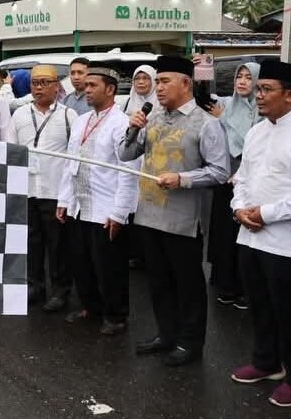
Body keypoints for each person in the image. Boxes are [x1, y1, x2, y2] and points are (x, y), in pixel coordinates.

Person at [229, 60, 291, 408]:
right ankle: (266, 362)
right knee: (259, 304)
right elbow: (242, 177)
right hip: (250, 234)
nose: (259, 95)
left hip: (288, 240)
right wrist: (240, 209)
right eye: (258, 89)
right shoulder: (257, 132)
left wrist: (265, 214)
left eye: (266, 89)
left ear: (290, 95)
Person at [120, 55, 230, 366]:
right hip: (148, 215)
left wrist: (183, 179)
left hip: (183, 221)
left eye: (165, 81)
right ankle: (165, 334)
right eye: (157, 82)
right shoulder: (151, 117)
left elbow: (220, 171)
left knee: (188, 285)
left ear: (186, 83)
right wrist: (131, 128)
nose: (159, 88)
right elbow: (125, 154)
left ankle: (190, 342)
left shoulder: (206, 124)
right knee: (158, 281)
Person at [56, 61, 139, 336]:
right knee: (82, 262)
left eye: (93, 85)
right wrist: (63, 201)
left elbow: (129, 172)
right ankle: (90, 307)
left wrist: (119, 213)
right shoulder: (82, 120)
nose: (86, 90)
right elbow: (70, 163)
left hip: (106, 208)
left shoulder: (122, 123)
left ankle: (116, 315)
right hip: (80, 205)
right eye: (86, 85)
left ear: (111, 90)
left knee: (109, 267)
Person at [8, 65, 78, 311]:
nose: (39, 88)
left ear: (56, 85)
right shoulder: (19, 115)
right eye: (35, 83)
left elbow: (74, 159)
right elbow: (11, 151)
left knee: (58, 245)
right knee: (31, 242)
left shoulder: (69, 116)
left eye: (44, 83)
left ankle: (60, 290)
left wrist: (68, 196)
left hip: (55, 190)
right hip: (28, 189)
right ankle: (34, 286)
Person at [208, 62, 262, 309]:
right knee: (224, 235)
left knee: (247, 235)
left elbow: (248, 141)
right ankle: (226, 284)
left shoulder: (262, 110)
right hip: (225, 175)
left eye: (248, 78)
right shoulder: (228, 104)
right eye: (239, 77)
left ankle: (246, 289)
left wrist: (225, 122)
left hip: (251, 178)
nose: (241, 82)